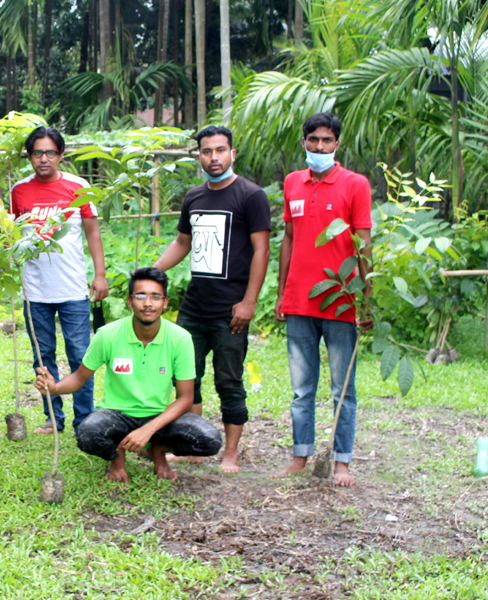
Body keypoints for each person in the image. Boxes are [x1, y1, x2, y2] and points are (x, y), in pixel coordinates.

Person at [153, 125, 271, 473]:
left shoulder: (251, 196)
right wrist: (150, 273)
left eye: (220, 150)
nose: (214, 157)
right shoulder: (194, 197)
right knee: (186, 378)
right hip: (194, 307)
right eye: (207, 151)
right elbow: (181, 243)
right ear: (199, 155)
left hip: (231, 310)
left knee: (229, 381)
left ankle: (231, 453)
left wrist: (249, 302)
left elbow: (261, 250)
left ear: (232, 153)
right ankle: (196, 446)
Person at [35, 268, 222, 484]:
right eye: (141, 296)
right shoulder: (108, 335)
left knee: (209, 440)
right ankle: (116, 454)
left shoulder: (180, 339)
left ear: (165, 302)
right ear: (130, 302)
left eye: (155, 296)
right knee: (87, 434)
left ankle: (157, 451)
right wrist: (55, 388)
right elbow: (79, 378)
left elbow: (185, 398)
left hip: (159, 417)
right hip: (116, 415)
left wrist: (148, 430)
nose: (148, 303)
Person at [273, 112, 372, 488]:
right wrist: (283, 291)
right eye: (313, 140)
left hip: (342, 300)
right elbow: (289, 238)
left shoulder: (355, 184)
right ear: (304, 143)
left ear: (337, 144)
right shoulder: (292, 183)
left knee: (341, 389)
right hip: (299, 301)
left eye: (326, 140)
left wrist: (366, 300)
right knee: (302, 388)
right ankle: (300, 455)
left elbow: (363, 244)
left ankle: (341, 461)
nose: (319, 147)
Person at [10, 126, 109, 434]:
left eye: (50, 152)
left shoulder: (79, 187)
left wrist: (100, 274)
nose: (43, 159)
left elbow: (93, 233)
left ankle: (84, 418)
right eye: (37, 152)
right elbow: (10, 235)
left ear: (61, 155)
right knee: (43, 357)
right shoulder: (19, 191)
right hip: (35, 291)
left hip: (73, 289)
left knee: (80, 356)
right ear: (29, 156)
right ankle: (53, 418)